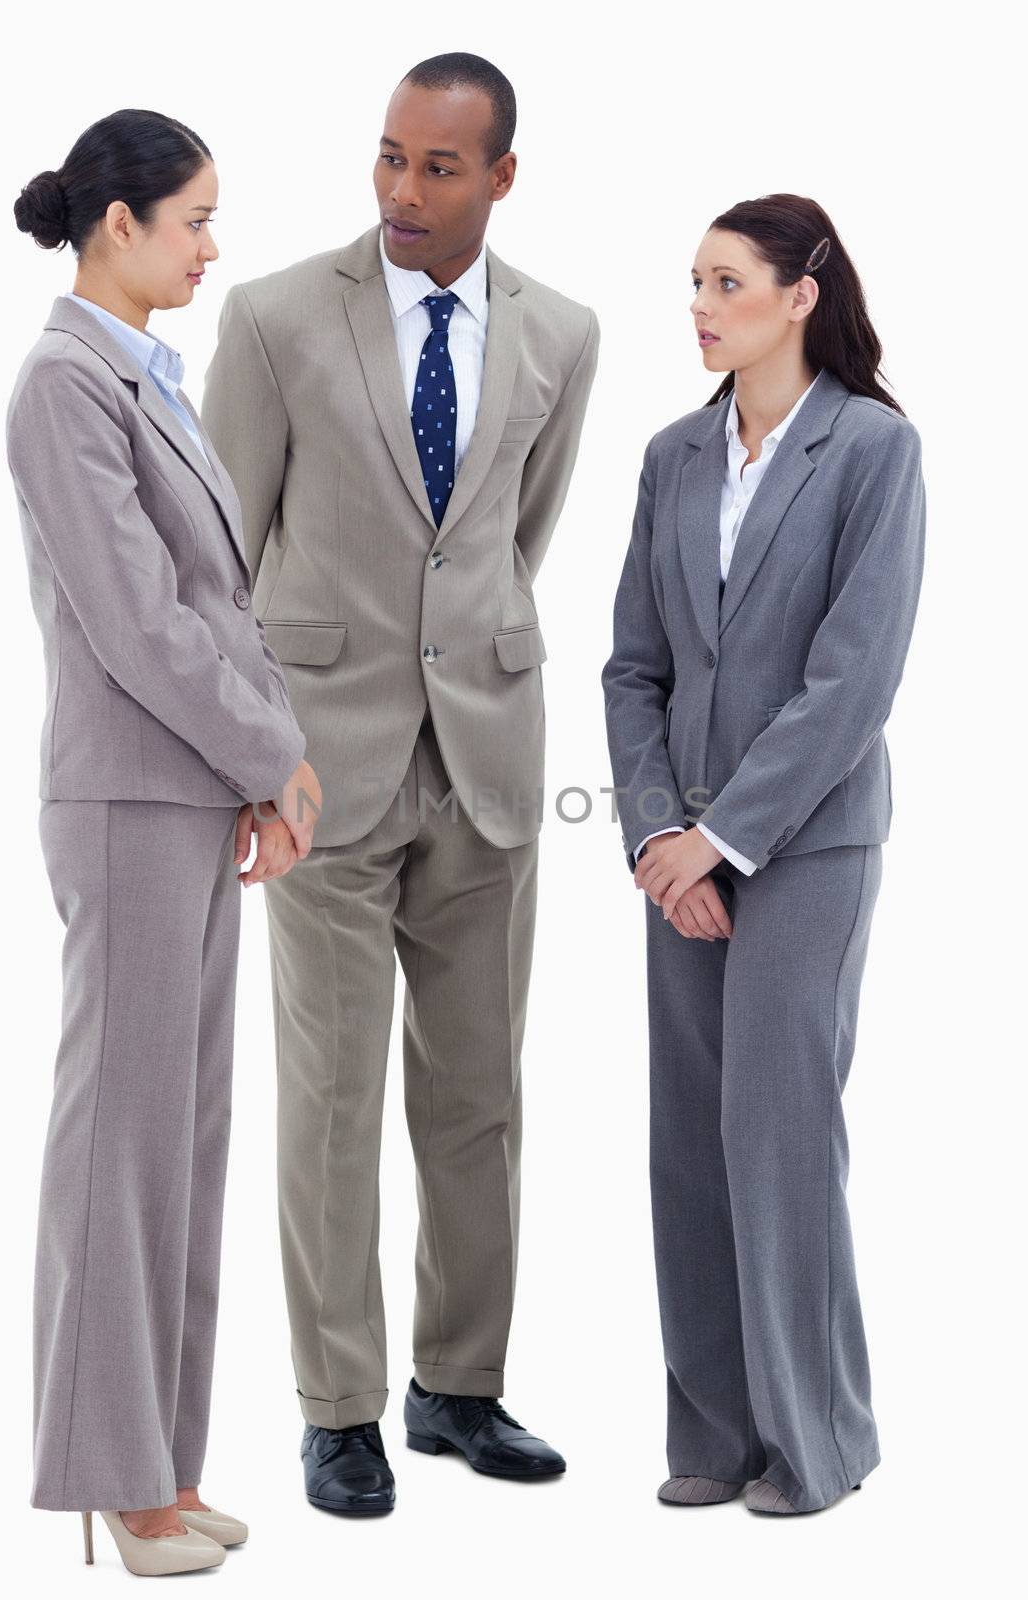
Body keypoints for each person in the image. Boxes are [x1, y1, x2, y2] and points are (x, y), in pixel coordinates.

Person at [200, 53, 599, 1515]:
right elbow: (221, 556)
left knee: (479, 1098)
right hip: (317, 765)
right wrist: (252, 757)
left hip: (487, 766)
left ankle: (459, 1387)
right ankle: (338, 1405)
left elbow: (510, 538)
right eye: (387, 159)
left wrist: (465, 672)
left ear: (500, 176)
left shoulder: (565, 331)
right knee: (328, 1098)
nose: (404, 193)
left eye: (439, 168)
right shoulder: (279, 316)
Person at [7, 108, 321, 1574]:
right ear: (116, 225)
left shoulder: (145, 380)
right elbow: (140, 621)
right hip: (133, 799)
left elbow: (219, 610)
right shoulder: (64, 385)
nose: (211, 245)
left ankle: (160, 1467)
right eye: (192, 219)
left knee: (179, 1150)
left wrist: (263, 773)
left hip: (190, 794)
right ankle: (111, 1484)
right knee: (120, 1152)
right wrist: (275, 754)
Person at [602, 194, 926, 1516]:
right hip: (672, 845)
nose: (699, 306)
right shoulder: (673, 455)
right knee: (686, 1139)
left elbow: (853, 682)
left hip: (805, 849)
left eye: (725, 282)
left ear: (800, 294)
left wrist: (720, 843)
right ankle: (715, 1436)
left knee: (776, 1132)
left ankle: (815, 1443)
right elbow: (633, 666)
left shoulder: (870, 453)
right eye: (692, 282)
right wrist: (653, 839)